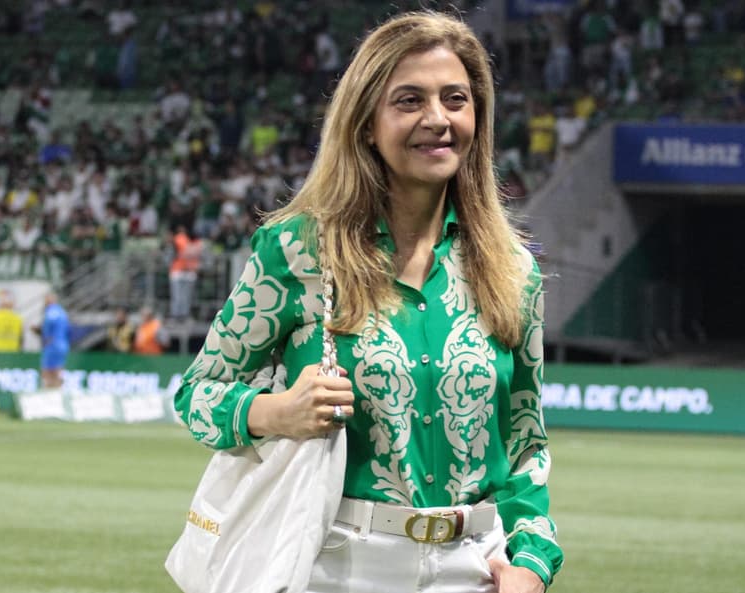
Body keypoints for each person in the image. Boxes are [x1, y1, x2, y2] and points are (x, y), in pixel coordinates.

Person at [173, 11, 562, 593]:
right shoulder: (298, 251)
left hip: (474, 570)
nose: (437, 119)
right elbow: (196, 395)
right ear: (365, 126)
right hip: (336, 566)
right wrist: (274, 412)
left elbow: (526, 441)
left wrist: (532, 562)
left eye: (455, 99)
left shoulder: (514, 271)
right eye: (409, 101)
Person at [33, 293, 70, 389]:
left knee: (47, 371)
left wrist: (40, 332)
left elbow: (48, 328)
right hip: (63, 344)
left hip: (52, 345)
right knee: (58, 368)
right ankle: (57, 390)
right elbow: (68, 329)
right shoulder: (62, 312)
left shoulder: (50, 312)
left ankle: (48, 391)